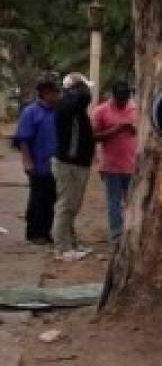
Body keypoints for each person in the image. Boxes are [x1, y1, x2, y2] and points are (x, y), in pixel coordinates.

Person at [11, 74, 61, 244]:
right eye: (54, 92)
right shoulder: (31, 112)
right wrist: (27, 161)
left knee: (51, 198)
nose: (57, 95)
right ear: (45, 93)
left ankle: (46, 232)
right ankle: (34, 232)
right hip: (38, 162)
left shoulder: (57, 111)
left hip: (55, 163)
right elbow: (23, 139)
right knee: (38, 198)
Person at [51, 72, 96, 261]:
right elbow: (86, 96)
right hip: (69, 163)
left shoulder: (75, 107)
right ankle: (62, 248)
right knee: (66, 206)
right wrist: (79, 86)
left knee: (72, 206)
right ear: (75, 88)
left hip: (77, 163)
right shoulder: (68, 103)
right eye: (83, 86)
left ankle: (71, 243)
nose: (87, 90)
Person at [91, 78, 138, 243]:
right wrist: (115, 130)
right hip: (111, 165)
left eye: (124, 99)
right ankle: (116, 234)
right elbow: (94, 136)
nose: (122, 103)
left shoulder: (135, 109)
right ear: (113, 96)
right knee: (114, 202)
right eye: (119, 100)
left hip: (132, 164)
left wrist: (133, 129)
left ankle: (132, 231)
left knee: (133, 201)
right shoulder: (101, 111)